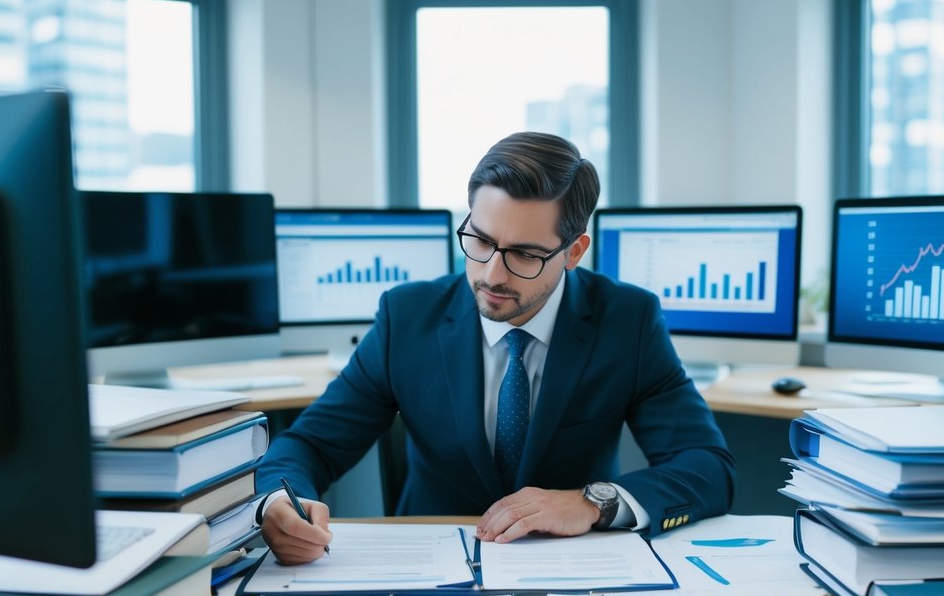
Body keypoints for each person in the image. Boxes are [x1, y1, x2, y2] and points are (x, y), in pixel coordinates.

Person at [256, 131, 735, 564]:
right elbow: (309, 445)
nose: (491, 274)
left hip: (569, 565)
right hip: (430, 560)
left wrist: (591, 502)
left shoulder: (627, 320)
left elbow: (708, 468)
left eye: (525, 254)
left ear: (573, 252)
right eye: (480, 241)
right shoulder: (407, 318)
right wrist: (279, 503)